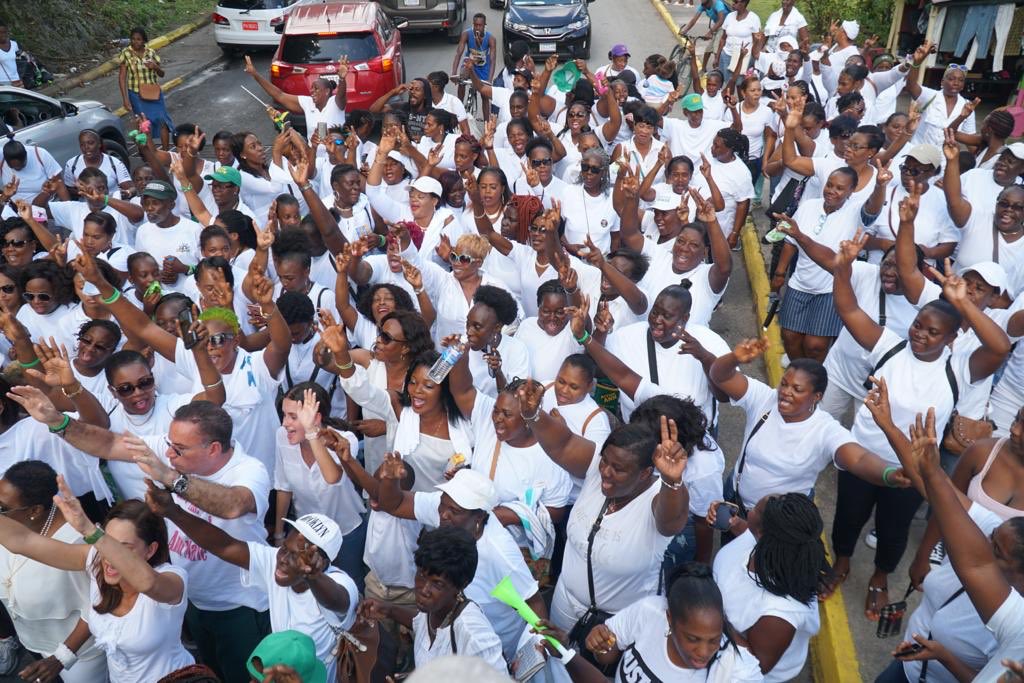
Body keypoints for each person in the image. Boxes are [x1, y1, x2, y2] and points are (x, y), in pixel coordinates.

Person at [8, 390, 274, 683]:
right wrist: (58, 422)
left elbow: (234, 505)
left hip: (240, 604)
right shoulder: (173, 448)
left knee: (241, 676)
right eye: (169, 445)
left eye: (180, 450)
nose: (169, 453)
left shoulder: (250, 471)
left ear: (212, 449)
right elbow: (109, 444)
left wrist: (171, 477)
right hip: (194, 599)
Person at [829, 234, 1010, 618]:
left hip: (912, 469)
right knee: (847, 516)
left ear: (950, 339)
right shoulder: (890, 346)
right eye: (917, 325)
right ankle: (841, 564)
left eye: (931, 332)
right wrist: (842, 268)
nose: (919, 335)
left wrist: (962, 303)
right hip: (864, 455)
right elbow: (848, 309)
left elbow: (998, 348)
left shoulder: (958, 368)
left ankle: (879, 579)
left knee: (893, 530)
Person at [147, 473, 358, 682]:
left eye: (296, 556)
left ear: (321, 564)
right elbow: (225, 545)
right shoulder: (274, 559)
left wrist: (313, 577)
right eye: (284, 548)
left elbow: (338, 601)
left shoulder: (340, 584)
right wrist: (173, 512)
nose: (282, 558)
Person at [0, 476, 192, 682]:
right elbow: (22, 540)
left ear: (150, 550)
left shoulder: (172, 578)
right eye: (107, 542)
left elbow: (148, 583)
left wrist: (91, 531)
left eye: (122, 548)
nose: (108, 559)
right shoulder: (96, 557)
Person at [374, 464, 544, 660]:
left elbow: (534, 603)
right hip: (447, 636)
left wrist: (530, 656)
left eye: (454, 510)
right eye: (442, 504)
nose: (443, 514)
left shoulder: (500, 554)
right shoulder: (447, 511)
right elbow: (395, 504)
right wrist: (390, 481)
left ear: (479, 515)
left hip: (489, 649)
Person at [0, 461, 107, 682]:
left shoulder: (77, 540)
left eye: (2, 508)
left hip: (81, 656)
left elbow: (100, 604)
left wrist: (61, 657)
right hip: (36, 642)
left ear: (35, 510)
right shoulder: (10, 527)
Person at [583, 561, 763, 681]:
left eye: (714, 640)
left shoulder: (738, 672)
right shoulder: (650, 611)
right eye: (693, 639)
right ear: (669, 618)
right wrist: (600, 642)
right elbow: (606, 657)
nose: (703, 652)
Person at [360, 525, 506, 672]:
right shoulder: (436, 608)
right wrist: (389, 610)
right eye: (422, 576)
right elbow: (421, 623)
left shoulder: (475, 637)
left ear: (461, 585)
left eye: (437, 584)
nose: (424, 590)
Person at [712, 494, 824, 681]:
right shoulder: (771, 544)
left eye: (755, 509)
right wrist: (734, 523)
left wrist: (709, 609)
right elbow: (749, 534)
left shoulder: (779, 615)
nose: (749, 511)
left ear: (764, 534)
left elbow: (755, 665)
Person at [273, 384, 366, 585]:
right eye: (284, 415)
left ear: (316, 417)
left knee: (350, 584)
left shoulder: (343, 439)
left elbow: (332, 478)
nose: (284, 423)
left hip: (346, 533)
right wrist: (279, 533)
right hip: (306, 537)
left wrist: (311, 433)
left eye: (293, 417)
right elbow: (283, 487)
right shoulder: (282, 437)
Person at [242, 56, 347, 147]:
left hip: (336, 158)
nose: (312, 91)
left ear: (327, 91)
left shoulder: (335, 102)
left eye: (316, 88)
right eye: (311, 88)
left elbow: (341, 94)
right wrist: (255, 74)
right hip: (314, 158)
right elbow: (279, 95)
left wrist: (342, 79)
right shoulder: (308, 103)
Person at [118, 27, 173, 151]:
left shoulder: (151, 53)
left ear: (144, 41)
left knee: (162, 121)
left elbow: (162, 74)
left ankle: (164, 152)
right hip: (136, 94)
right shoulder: (126, 53)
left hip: (154, 93)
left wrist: (155, 66)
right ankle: (147, 152)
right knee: (143, 124)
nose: (135, 42)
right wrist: (125, 99)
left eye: (138, 39)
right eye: (133, 39)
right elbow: (122, 77)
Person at [452, 14, 495, 116]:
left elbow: (493, 61)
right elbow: (458, 54)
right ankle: (459, 109)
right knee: (461, 80)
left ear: (485, 25)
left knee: (485, 95)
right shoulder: (466, 34)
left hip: (483, 67)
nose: (478, 28)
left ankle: (486, 124)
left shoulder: (491, 39)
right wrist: (453, 74)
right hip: (469, 63)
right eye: (476, 25)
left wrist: (489, 80)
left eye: (480, 25)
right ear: (473, 25)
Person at [0, 22, 21, 88]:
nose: (2, 34)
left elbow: (18, 60)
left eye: (4, 32)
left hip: (17, 80)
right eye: (0, 32)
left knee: (21, 98)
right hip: (2, 82)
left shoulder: (14, 44)